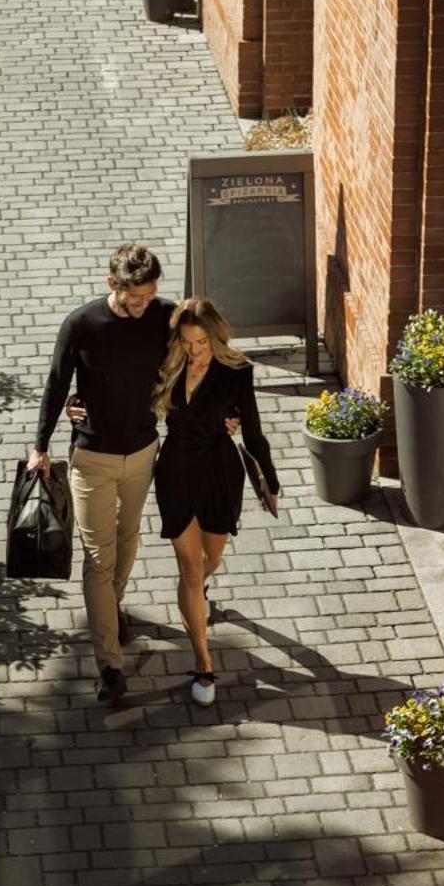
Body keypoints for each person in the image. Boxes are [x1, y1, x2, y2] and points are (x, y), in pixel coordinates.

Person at [28, 244, 173, 705]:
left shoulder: (165, 316)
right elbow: (55, 383)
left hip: (143, 452)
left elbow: (199, 357)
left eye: (150, 297)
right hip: (93, 458)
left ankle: (108, 612)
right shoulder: (82, 324)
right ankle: (110, 665)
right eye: (135, 299)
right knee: (99, 558)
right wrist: (40, 447)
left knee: (128, 539)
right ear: (113, 285)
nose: (143, 306)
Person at [151, 297, 280, 705]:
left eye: (202, 342)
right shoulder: (167, 363)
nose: (196, 350)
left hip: (220, 473)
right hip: (175, 470)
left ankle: (199, 591)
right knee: (190, 569)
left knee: (212, 558)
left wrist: (271, 483)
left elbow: (254, 431)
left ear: (216, 335)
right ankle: (204, 666)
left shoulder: (236, 370)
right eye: (189, 342)